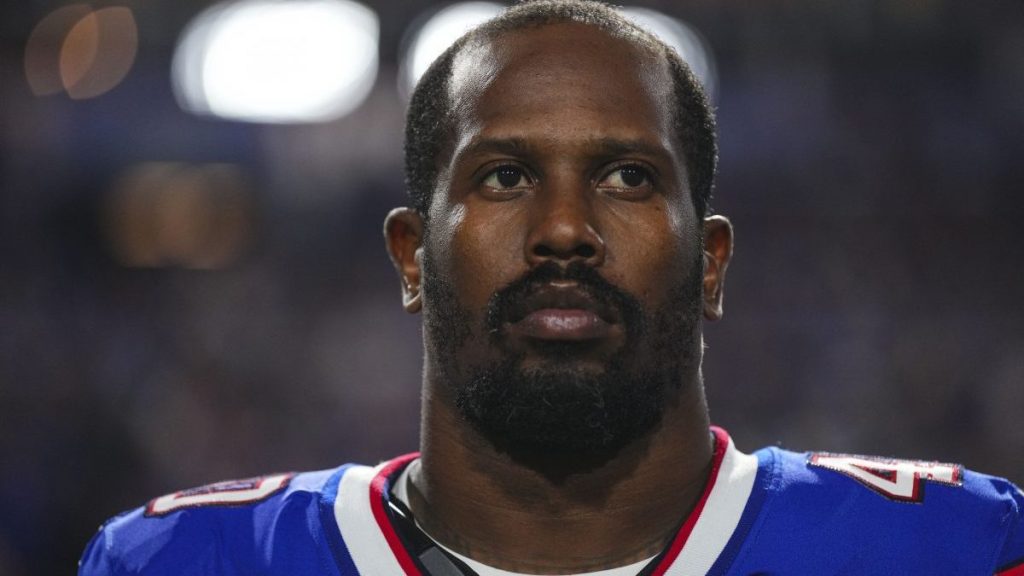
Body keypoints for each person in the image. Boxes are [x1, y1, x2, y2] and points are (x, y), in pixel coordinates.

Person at [79, 1, 1024, 574]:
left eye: (627, 177)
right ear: (411, 255)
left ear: (713, 262)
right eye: (502, 177)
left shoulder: (959, 549)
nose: (565, 230)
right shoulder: (175, 563)